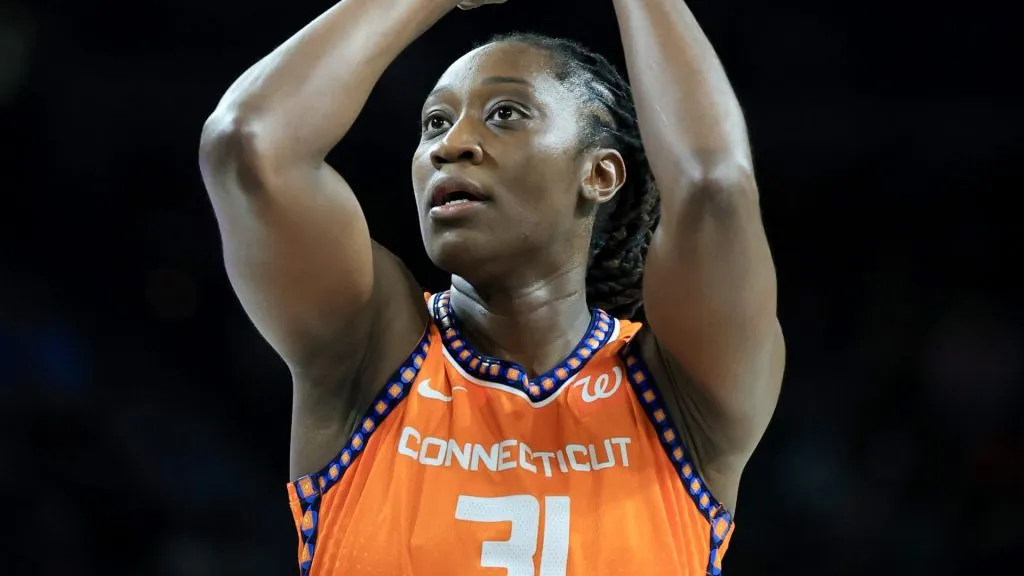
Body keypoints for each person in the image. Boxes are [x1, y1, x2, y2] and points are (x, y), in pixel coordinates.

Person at [199, 0, 785, 573]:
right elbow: (249, 143)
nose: (448, 145)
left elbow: (714, 187)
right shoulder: (369, 355)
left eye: (505, 113)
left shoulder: (681, 399)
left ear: (600, 174)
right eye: (434, 122)